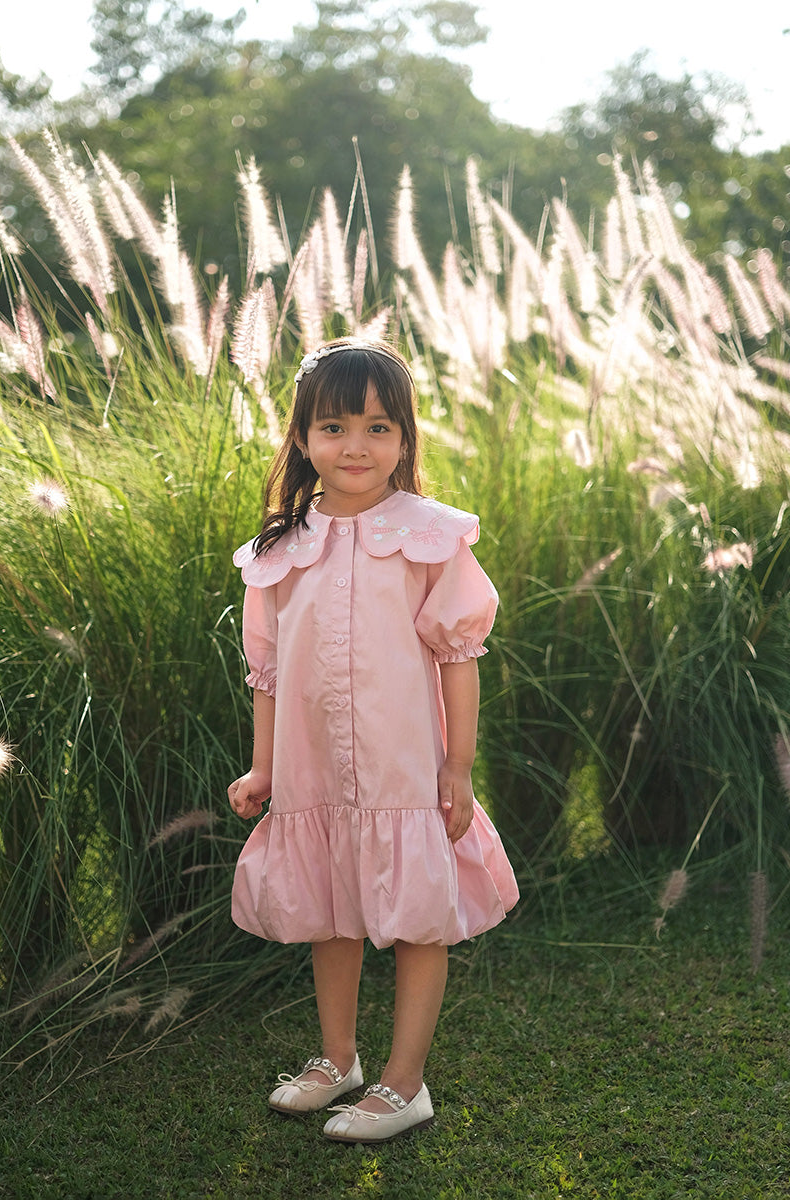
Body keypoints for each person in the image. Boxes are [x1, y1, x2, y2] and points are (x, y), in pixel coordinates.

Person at [227, 337, 519, 1143]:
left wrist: (457, 766)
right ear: (302, 438)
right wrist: (263, 766)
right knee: (331, 910)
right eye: (334, 427)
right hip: (314, 772)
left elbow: (459, 659)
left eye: (379, 428)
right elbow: (269, 672)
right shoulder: (280, 550)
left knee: (420, 916)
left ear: (405, 439)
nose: (356, 446)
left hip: (404, 773)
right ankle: (338, 1060)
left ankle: (404, 1082)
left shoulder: (429, 537)